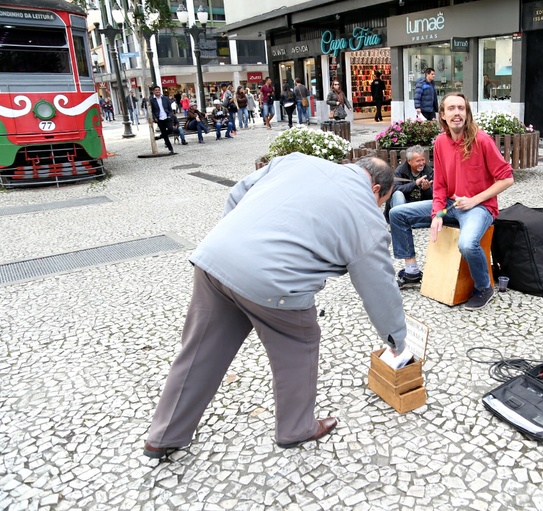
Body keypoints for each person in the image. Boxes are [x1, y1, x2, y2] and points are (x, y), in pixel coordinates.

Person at [142, 154, 407, 458]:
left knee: (199, 351)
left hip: (215, 259)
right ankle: (296, 428)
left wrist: (238, 246)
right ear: (376, 190)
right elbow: (379, 286)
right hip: (275, 285)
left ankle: (164, 435)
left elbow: (237, 193)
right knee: (299, 341)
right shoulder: (366, 215)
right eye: (381, 202)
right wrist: (395, 338)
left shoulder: (296, 161)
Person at [389, 93, 514, 310]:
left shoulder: (482, 140)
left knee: (466, 244)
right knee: (397, 214)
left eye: (461, 108)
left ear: (467, 113)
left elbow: (507, 179)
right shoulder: (440, 143)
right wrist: (437, 214)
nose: (457, 113)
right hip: (449, 205)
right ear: (443, 115)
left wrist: (474, 200)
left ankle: (484, 288)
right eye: (451, 109)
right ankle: (411, 271)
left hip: (481, 207)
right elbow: (440, 186)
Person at [384, 145, 433, 224]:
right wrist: (415, 184)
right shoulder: (400, 171)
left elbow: (434, 196)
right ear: (409, 161)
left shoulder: (429, 172)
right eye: (418, 161)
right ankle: (400, 222)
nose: (421, 163)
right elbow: (394, 189)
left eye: (423, 160)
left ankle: (411, 222)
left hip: (419, 207)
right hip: (405, 204)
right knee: (398, 194)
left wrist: (426, 190)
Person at [149, 85, 175, 154]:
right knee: (165, 135)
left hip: (167, 117)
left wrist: (169, 115)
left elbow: (170, 109)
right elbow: (151, 111)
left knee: (171, 130)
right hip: (159, 119)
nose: (157, 91)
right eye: (156, 90)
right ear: (153, 91)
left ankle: (160, 136)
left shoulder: (165, 98)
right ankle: (170, 148)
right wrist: (154, 118)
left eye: (158, 90)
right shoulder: (151, 100)